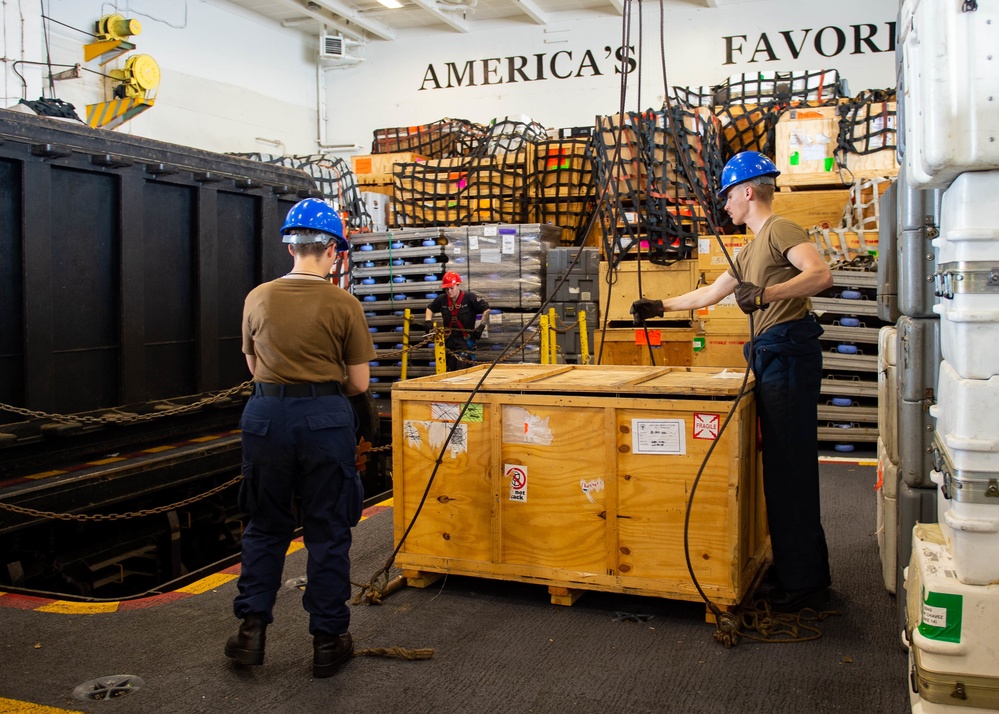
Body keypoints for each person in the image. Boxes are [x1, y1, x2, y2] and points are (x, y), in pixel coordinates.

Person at [631, 151, 834, 613]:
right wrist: (659, 306)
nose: (723, 205)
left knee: (789, 469)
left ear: (748, 191)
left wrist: (768, 294)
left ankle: (804, 584)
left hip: (787, 352)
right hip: (772, 355)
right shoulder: (748, 249)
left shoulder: (780, 230)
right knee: (780, 469)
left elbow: (820, 275)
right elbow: (709, 293)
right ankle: (801, 571)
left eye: (726, 195)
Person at [225, 198, 376, 678]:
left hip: (265, 417)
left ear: (291, 246)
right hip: (324, 421)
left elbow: (253, 368)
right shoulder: (343, 302)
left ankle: (251, 633)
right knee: (327, 531)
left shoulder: (258, 297)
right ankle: (328, 642)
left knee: (265, 526)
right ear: (332, 250)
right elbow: (358, 384)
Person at [423, 271, 489, 372]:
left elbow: (486, 309)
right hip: (449, 341)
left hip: (464, 341)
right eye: (446, 289)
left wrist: (481, 326)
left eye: (451, 288)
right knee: (450, 371)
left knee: (462, 371)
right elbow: (430, 308)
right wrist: (428, 320)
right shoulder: (442, 299)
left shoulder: (469, 298)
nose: (449, 291)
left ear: (458, 285)